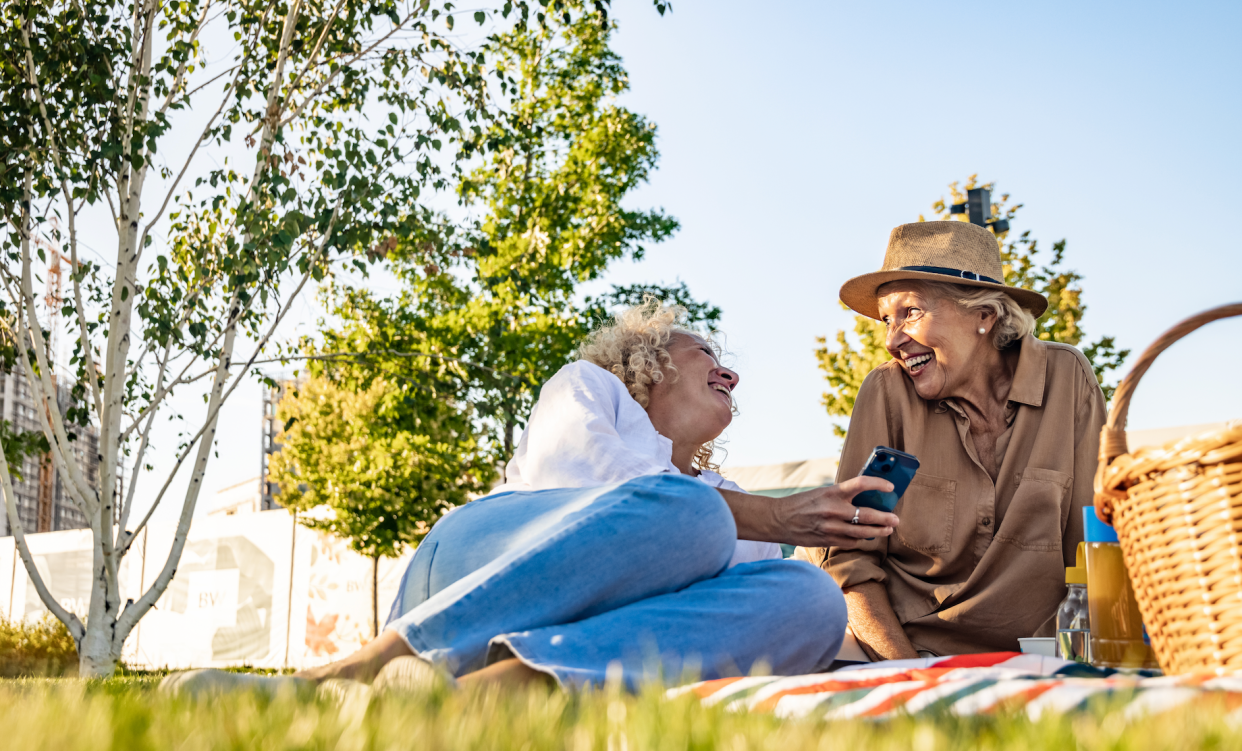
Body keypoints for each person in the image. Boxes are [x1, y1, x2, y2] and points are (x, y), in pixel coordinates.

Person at [297, 300, 900, 692]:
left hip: (582, 630)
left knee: (810, 596)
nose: (731, 375)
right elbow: (602, 484)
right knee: (691, 514)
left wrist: (889, 642)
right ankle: (364, 666)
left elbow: (734, 613)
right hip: (475, 569)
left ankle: (500, 691)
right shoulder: (590, 388)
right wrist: (775, 515)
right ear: (649, 360)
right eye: (706, 354)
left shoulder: (725, 496)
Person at [808, 220, 1107, 660]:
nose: (892, 340)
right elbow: (852, 563)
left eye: (910, 312)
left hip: (1037, 650)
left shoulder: (1066, 378)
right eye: (887, 320)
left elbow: (1096, 544)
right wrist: (910, 676)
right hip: (905, 647)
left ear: (984, 316)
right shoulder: (888, 394)